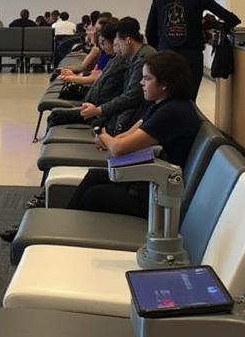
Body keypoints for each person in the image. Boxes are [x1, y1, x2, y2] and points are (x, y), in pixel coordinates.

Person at [65, 51, 201, 216]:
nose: (141, 82)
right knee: (95, 176)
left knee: (95, 195)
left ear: (165, 83)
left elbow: (118, 148)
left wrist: (102, 134)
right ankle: (66, 221)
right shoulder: (160, 105)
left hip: (158, 197)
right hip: (149, 181)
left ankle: (72, 230)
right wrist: (109, 140)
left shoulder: (172, 112)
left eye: (147, 78)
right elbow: (125, 137)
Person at [146, 0, 240, 99]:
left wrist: (159, 51)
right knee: (188, 98)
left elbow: (150, 31)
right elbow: (232, 19)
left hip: (164, 56)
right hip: (190, 57)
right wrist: (216, 26)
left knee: (164, 97)